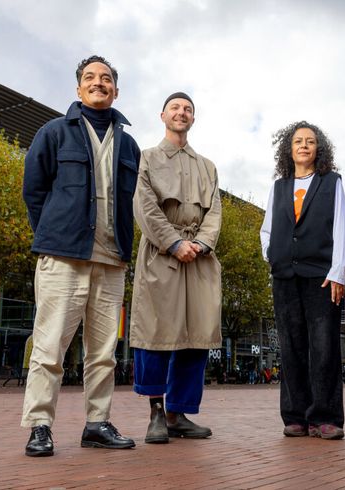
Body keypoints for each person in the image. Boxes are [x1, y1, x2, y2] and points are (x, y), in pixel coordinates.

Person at [20, 55, 140, 456]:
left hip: (111, 260)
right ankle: (39, 425)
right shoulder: (55, 132)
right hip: (63, 257)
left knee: (103, 352)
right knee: (49, 346)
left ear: (116, 90)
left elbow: (130, 203)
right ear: (78, 88)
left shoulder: (129, 144)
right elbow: (34, 192)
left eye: (106, 78)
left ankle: (97, 424)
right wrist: (55, 235)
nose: (98, 83)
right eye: (90, 78)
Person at [130, 92, 222, 444]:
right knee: (155, 333)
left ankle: (178, 414)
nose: (181, 113)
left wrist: (200, 243)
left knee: (195, 337)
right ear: (162, 115)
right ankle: (155, 412)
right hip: (161, 255)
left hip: (198, 258)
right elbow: (145, 207)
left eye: (188, 109)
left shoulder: (208, 166)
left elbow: (215, 212)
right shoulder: (148, 158)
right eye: (175, 108)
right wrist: (173, 242)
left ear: (193, 119)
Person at [260, 121, 345, 440]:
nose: (304, 145)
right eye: (298, 141)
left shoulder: (331, 182)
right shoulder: (279, 186)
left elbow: (341, 227)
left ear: (318, 149)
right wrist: (272, 254)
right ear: (289, 148)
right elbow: (267, 228)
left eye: (310, 141)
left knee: (323, 347)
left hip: (321, 277)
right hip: (285, 276)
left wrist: (338, 271)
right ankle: (296, 416)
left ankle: (325, 417)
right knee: (291, 347)